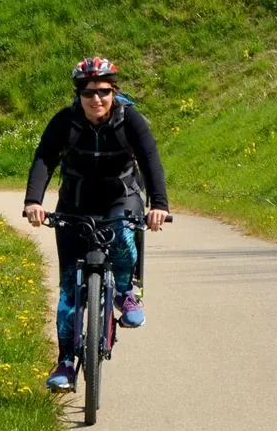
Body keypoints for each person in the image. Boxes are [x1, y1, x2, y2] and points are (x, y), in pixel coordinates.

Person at [21, 57, 171, 393]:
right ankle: (65, 363)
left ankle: (125, 291)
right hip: (75, 202)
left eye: (103, 91)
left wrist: (159, 206)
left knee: (123, 234)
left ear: (114, 91)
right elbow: (44, 158)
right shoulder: (65, 121)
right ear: (79, 95)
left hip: (122, 196)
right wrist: (33, 202)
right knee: (69, 288)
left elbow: (150, 160)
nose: (96, 99)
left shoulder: (129, 120)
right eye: (88, 93)